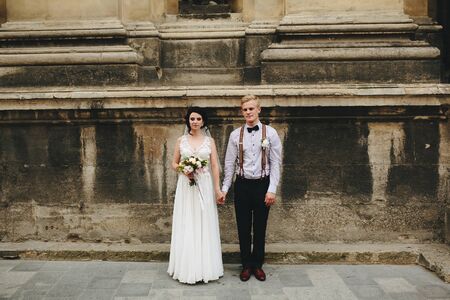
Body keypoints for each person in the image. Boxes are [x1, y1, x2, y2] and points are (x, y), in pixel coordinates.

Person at [219, 95, 282, 282]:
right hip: (243, 185)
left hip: (263, 184)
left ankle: (258, 265)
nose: (248, 112)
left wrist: (272, 189)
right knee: (243, 227)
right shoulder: (234, 135)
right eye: (245, 109)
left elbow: (276, 163)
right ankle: (246, 265)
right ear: (242, 111)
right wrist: (225, 189)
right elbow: (229, 164)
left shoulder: (271, 133)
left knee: (260, 227)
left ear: (259, 110)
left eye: (251, 108)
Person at [167, 107, 224, 284]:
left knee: (204, 222)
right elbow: (173, 163)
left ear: (203, 121)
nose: (195, 121)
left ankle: (205, 266)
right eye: (192, 119)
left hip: (205, 185)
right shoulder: (181, 140)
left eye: (198, 119)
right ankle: (186, 267)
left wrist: (217, 189)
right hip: (187, 186)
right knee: (187, 221)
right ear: (188, 121)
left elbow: (214, 166)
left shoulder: (210, 141)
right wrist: (185, 169)